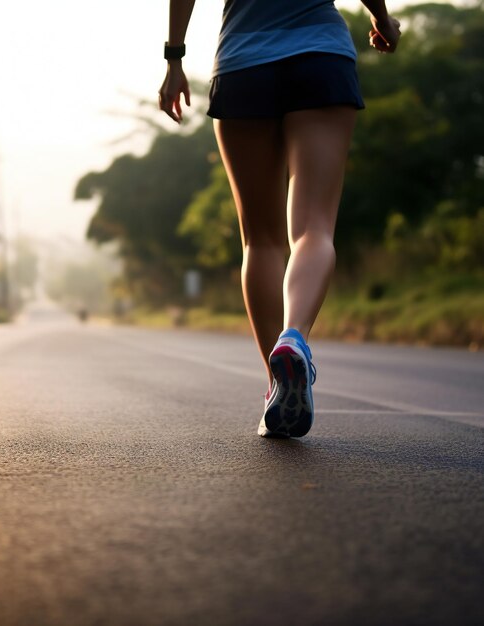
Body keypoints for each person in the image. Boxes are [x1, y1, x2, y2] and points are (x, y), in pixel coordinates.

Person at [159, 1, 400, 438]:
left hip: (243, 62)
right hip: (320, 56)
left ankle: (277, 385)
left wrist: (174, 59)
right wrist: (382, 21)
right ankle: (294, 338)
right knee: (313, 228)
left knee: (260, 241)